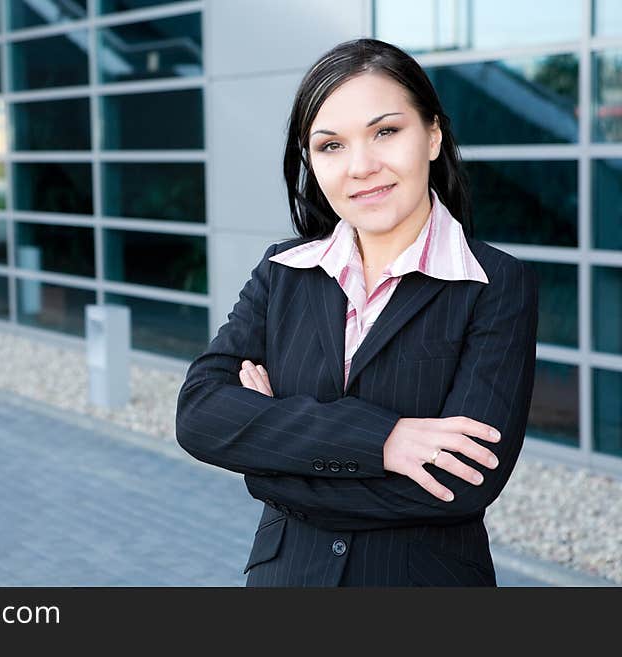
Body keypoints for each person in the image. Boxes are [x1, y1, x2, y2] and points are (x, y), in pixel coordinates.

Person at [174, 38, 539, 587]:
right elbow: (200, 413)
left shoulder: (495, 284)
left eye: (385, 132)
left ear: (433, 135)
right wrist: (384, 441)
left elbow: (459, 482)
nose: (361, 167)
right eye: (331, 146)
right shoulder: (283, 270)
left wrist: (268, 456)